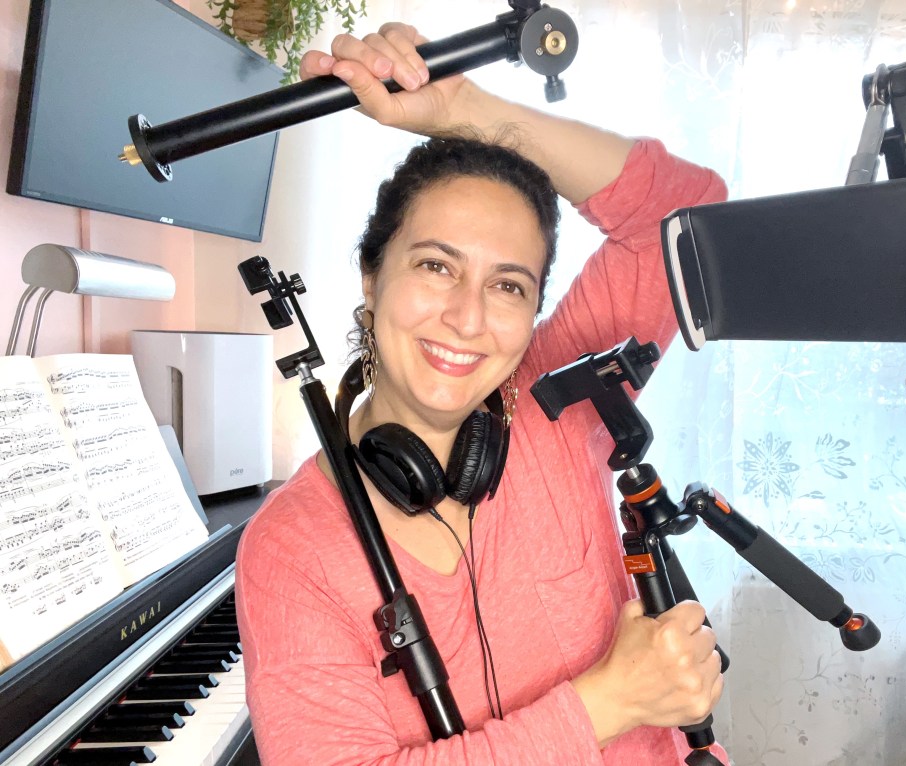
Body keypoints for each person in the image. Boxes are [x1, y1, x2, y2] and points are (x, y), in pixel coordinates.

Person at [235, 19, 730, 765]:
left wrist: (462, 108)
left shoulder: (559, 403)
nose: (468, 318)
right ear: (372, 277)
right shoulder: (291, 549)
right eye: (436, 266)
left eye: (507, 285)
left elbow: (687, 216)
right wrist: (610, 700)